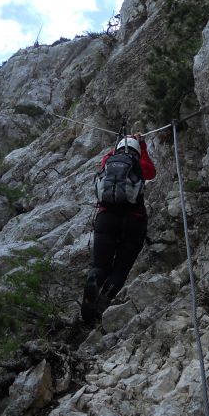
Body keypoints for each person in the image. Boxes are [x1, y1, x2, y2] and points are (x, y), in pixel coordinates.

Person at [81, 133, 156, 325]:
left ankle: (94, 280)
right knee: (119, 271)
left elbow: (108, 158)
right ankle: (102, 303)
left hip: (106, 219)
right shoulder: (139, 164)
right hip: (133, 220)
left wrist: (117, 148)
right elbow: (151, 172)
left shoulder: (108, 162)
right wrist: (143, 146)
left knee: (100, 266)